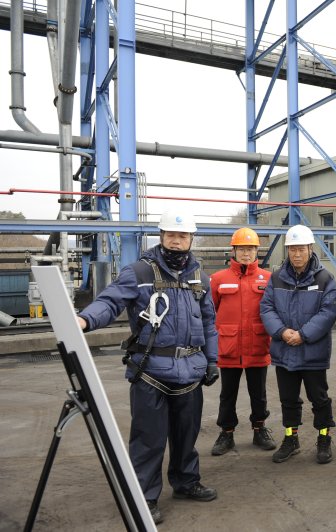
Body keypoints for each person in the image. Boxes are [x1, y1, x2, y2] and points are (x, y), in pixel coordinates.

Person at [76, 208, 218, 525]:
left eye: (182, 236)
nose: (176, 241)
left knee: (186, 436)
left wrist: (212, 360)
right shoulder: (139, 273)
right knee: (148, 440)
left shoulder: (200, 278)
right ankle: (145, 497)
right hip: (151, 373)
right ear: (161, 236)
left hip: (191, 373)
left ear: (191, 239)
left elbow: (209, 323)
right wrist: (85, 319)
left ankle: (185, 482)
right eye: (171, 235)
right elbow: (110, 300)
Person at [261, 225, 336, 464]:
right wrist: (282, 332)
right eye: (292, 249)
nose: (296, 254)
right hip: (284, 351)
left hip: (312, 351)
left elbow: (328, 312)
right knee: (288, 399)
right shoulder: (276, 278)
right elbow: (266, 308)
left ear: (310, 249)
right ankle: (290, 438)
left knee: (319, 398)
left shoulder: (325, 278)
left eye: (301, 249)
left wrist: (303, 335)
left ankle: (324, 438)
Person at [209, 227, 275, 457]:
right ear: (234, 250)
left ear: (257, 250)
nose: (246, 253)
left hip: (257, 345)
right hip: (229, 347)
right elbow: (211, 312)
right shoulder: (218, 279)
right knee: (228, 393)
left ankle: (260, 429)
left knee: (259, 394)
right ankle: (226, 433)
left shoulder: (268, 278)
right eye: (242, 249)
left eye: (250, 249)